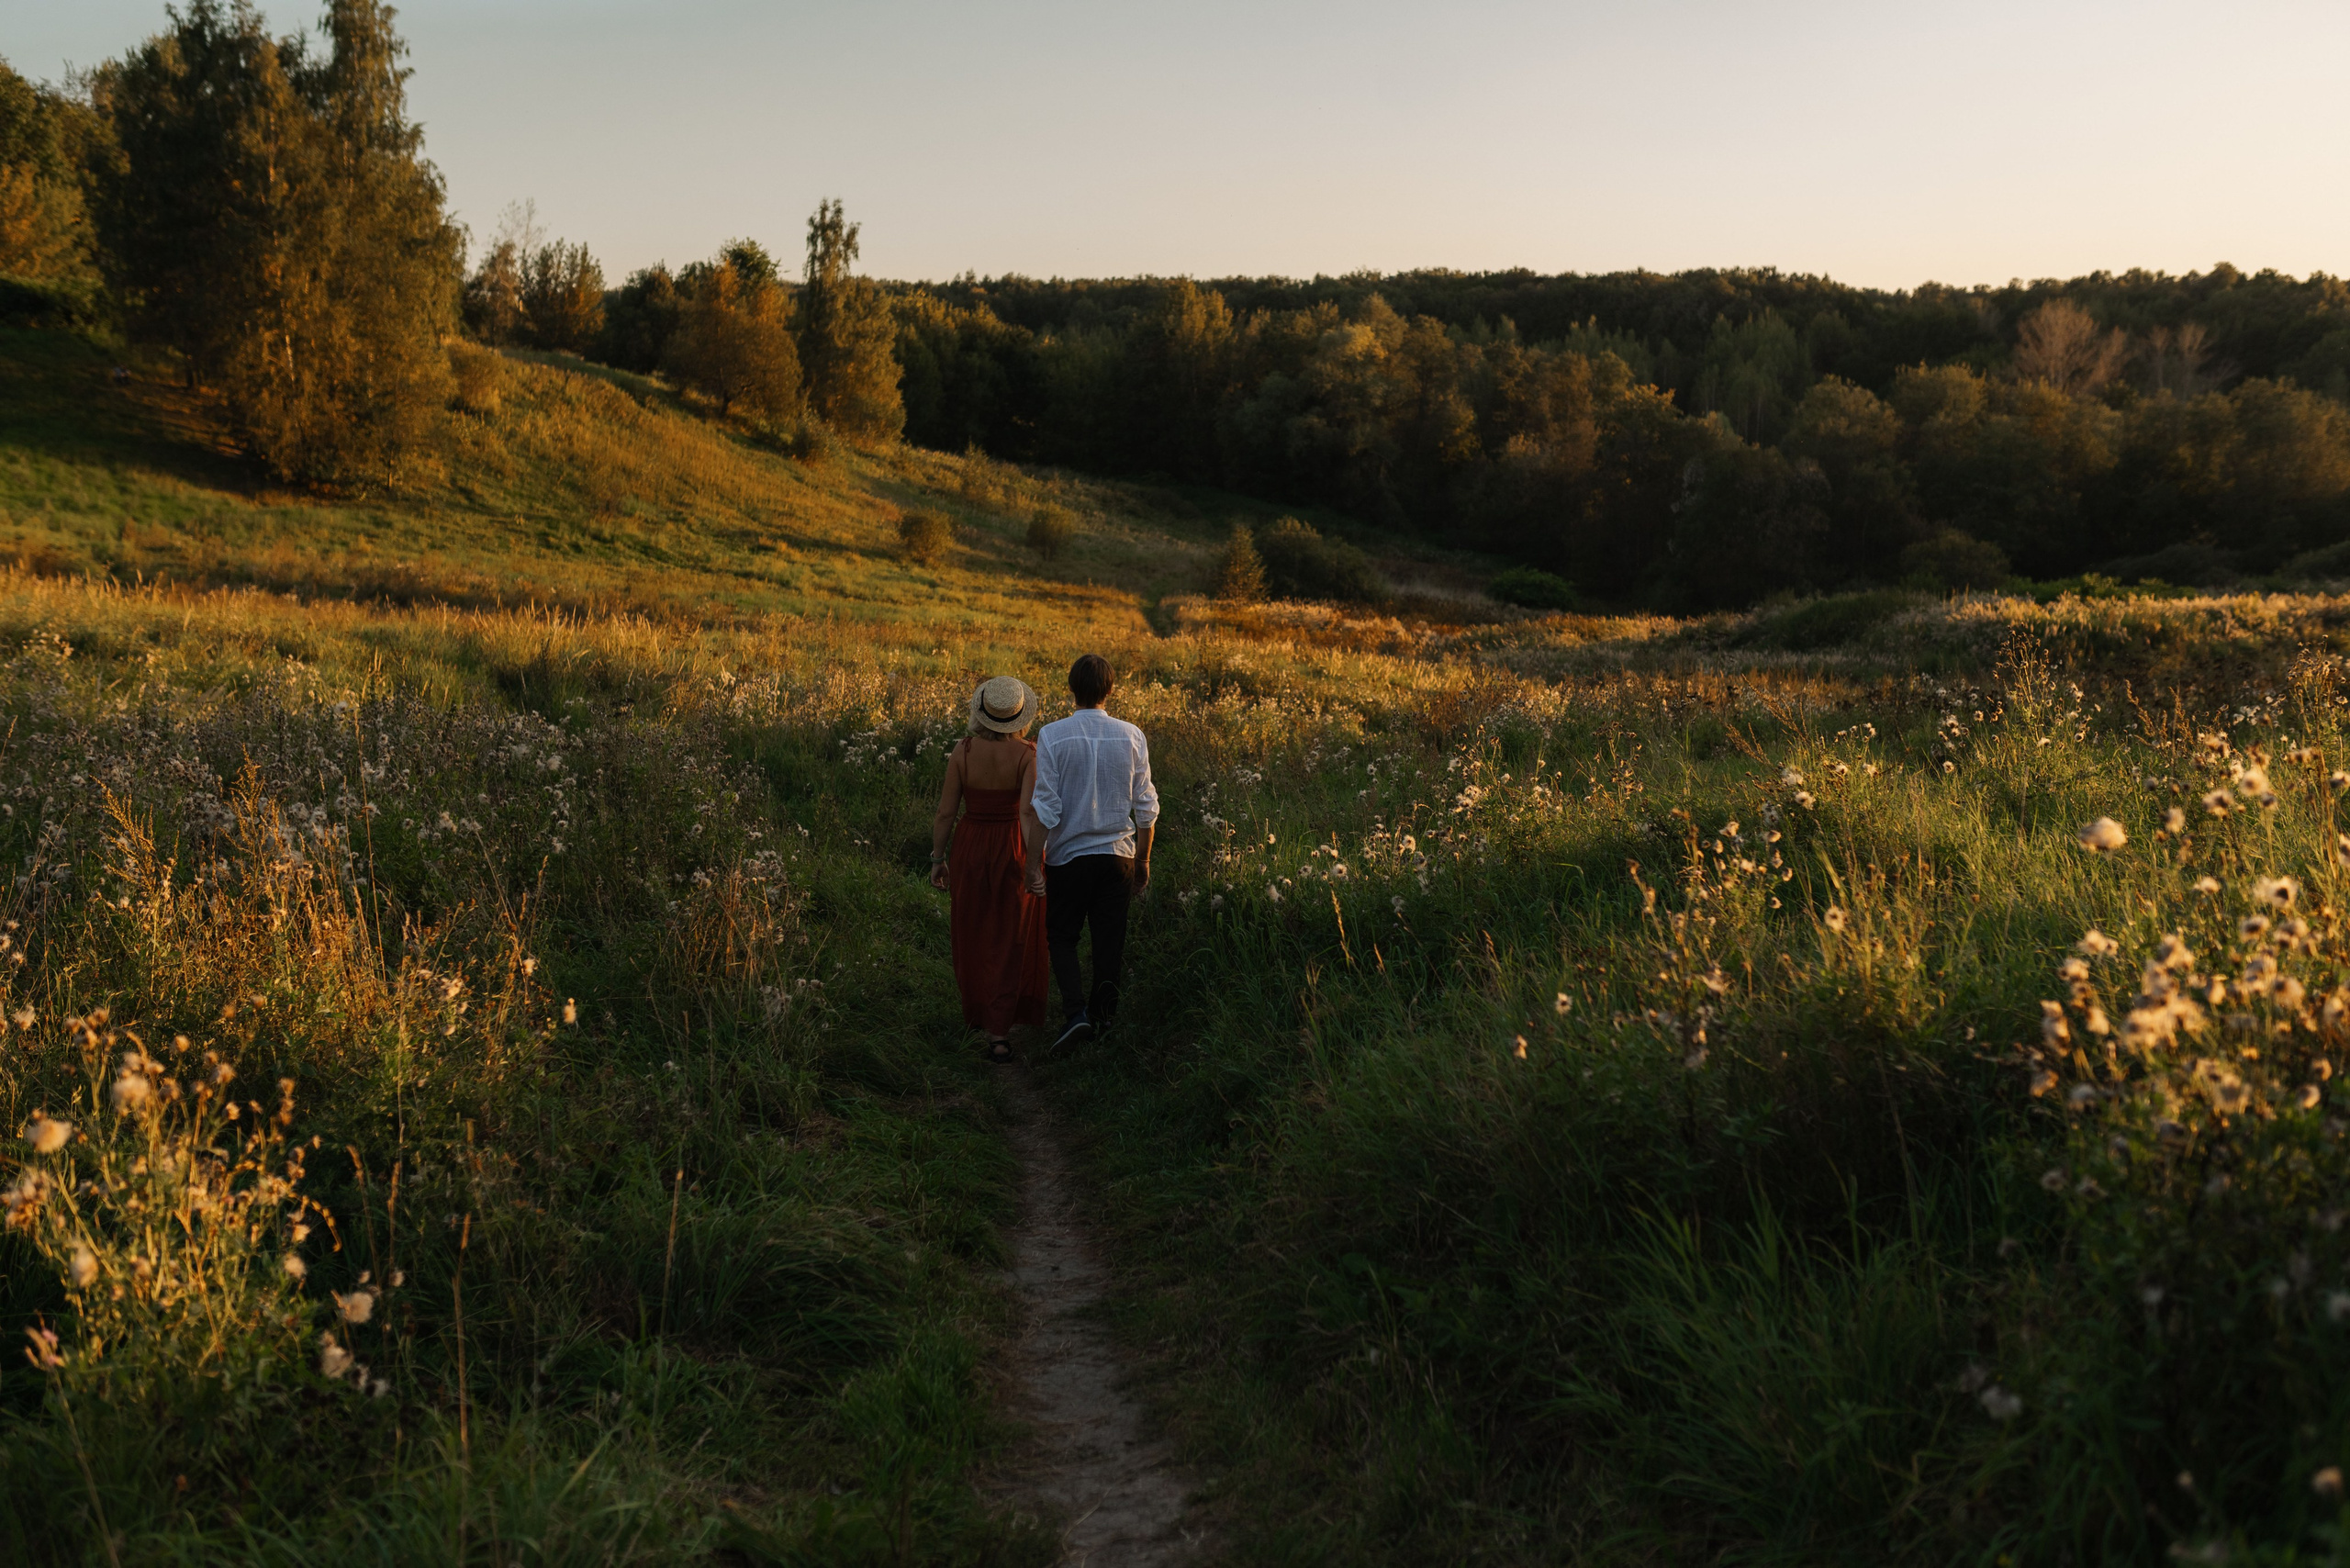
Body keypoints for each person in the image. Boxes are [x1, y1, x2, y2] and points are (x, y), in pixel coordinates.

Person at [1024, 654, 1158, 1048]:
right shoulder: (1132, 735)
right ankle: (1104, 1021)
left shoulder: (1052, 735)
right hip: (1118, 857)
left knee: (1062, 936)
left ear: (1072, 689)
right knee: (1109, 940)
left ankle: (1075, 1014)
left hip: (1068, 858)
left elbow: (1046, 807)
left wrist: (1033, 865)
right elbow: (1146, 807)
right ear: (1109, 690)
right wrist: (1143, 861)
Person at [930, 677, 1049, 1063]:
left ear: (980, 713)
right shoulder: (1028, 755)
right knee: (1011, 933)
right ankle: (1000, 1030)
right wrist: (1034, 865)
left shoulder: (962, 751)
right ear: (1020, 716)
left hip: (970, 846)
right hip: (1011, 846)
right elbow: (1027, 814)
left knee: (974, 928)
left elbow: (946, 812)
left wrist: (937, 858)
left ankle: (979, 1013)